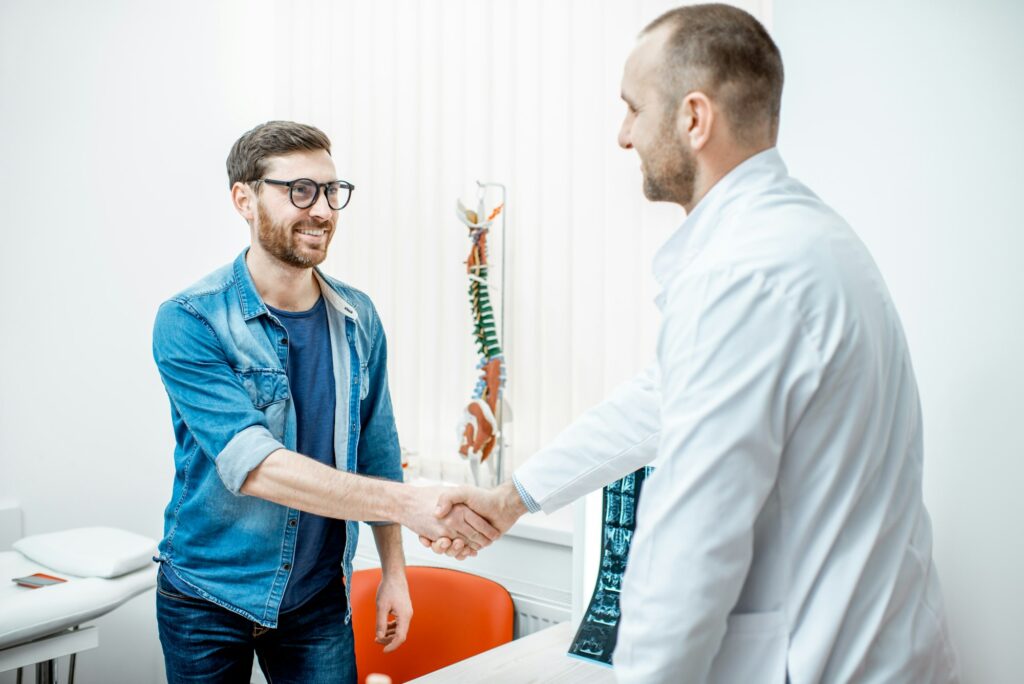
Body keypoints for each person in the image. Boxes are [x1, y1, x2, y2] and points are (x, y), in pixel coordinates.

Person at [426, 5, 959, 682]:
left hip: (825, 660)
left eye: (633, 108)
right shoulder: (802, 241)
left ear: (694, 118)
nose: (624, 135)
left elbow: (690, 546)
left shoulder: (744, 275)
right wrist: (516, 496)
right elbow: (657, 400)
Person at [151, 121, 497, 683]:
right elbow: (255, 467)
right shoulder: (191, 319)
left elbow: (377, 451)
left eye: (332, 191)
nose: (323, 210)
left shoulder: (358, 317)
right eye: (301, 191)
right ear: (244, 198)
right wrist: (410, 506)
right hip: (205, 597)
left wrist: (394, 571)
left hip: (315, 598)